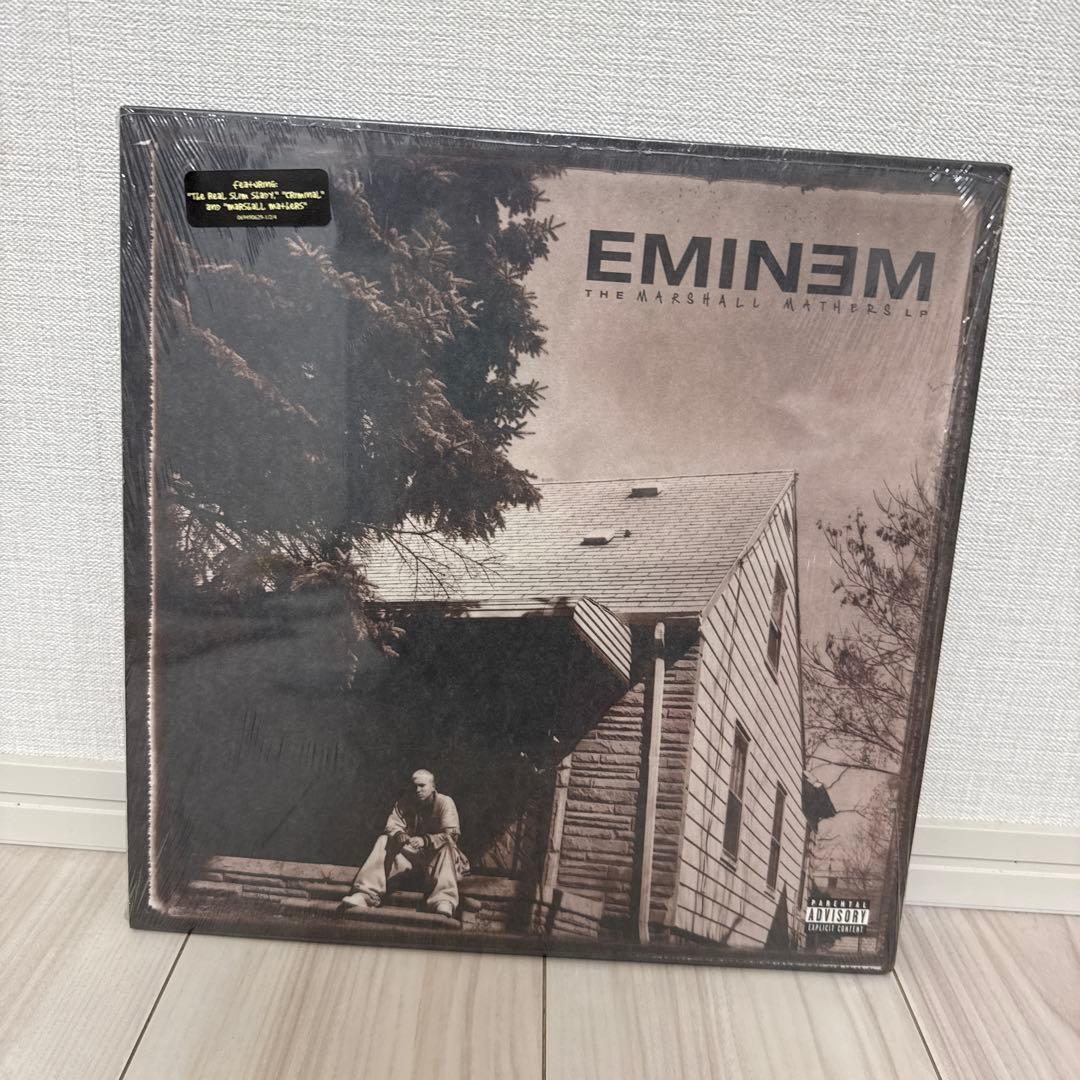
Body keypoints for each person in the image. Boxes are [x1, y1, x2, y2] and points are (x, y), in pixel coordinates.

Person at [341, 769, 469, 918]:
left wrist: (425, 840)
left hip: (438, 861)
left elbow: (451, 835)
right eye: (414, 786)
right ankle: (367, 894)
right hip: (411, 859)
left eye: (422, 785)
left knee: (446, 847)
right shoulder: (405, 802)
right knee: (383, 840)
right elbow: (391, 825)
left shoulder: (445, 802)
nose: (417, 790)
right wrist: (399, 834)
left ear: (433, 786)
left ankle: (443, 900)